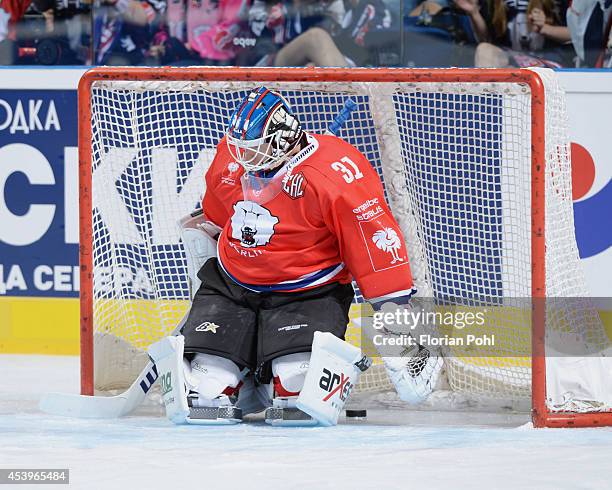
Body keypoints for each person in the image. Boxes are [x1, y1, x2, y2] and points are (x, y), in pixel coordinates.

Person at [148, 87, 443, 426]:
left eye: (254, 150)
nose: (243, 159)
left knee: (296, 391)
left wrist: (392, 309)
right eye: (239, 148)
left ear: (283, 140)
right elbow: (215, 214)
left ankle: (272, 376)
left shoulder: (332, 173)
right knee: (206, 390)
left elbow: (371, 238)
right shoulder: (231, 158)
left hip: (306, 294)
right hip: (232, 289)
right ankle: (245, 380)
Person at [455, 0, 574, 67]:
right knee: (484, 50)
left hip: (547, 61)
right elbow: (486, 39)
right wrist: (474, 13)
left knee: (533, 74)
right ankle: (486, 107)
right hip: (509, 59)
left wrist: (545, 29)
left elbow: (576, 35)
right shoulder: (494, 2)